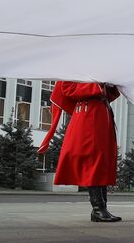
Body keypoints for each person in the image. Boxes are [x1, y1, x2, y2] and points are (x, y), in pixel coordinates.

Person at [37, 80, 122, 223]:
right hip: (88, 114)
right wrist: (98, 85)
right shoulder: (75, 65)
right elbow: (68, 88)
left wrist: (110, 86)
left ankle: (102, 209)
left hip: (102, 113)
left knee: (102, 161)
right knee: (93, 159)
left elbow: (107, 95)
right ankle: (98, 209)